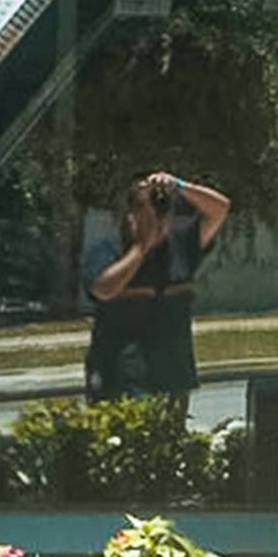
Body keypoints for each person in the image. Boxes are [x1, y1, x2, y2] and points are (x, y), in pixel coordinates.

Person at [83, 171, 230, 404]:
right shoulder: (109, 250)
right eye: (145, 209)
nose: (158, 219)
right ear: (130, 215)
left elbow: (220, 208)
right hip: (121, 373)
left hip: (172, 370)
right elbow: (104, 289)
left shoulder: (181, 243)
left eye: (163, 210)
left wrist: (178, 185)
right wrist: (141, 247)